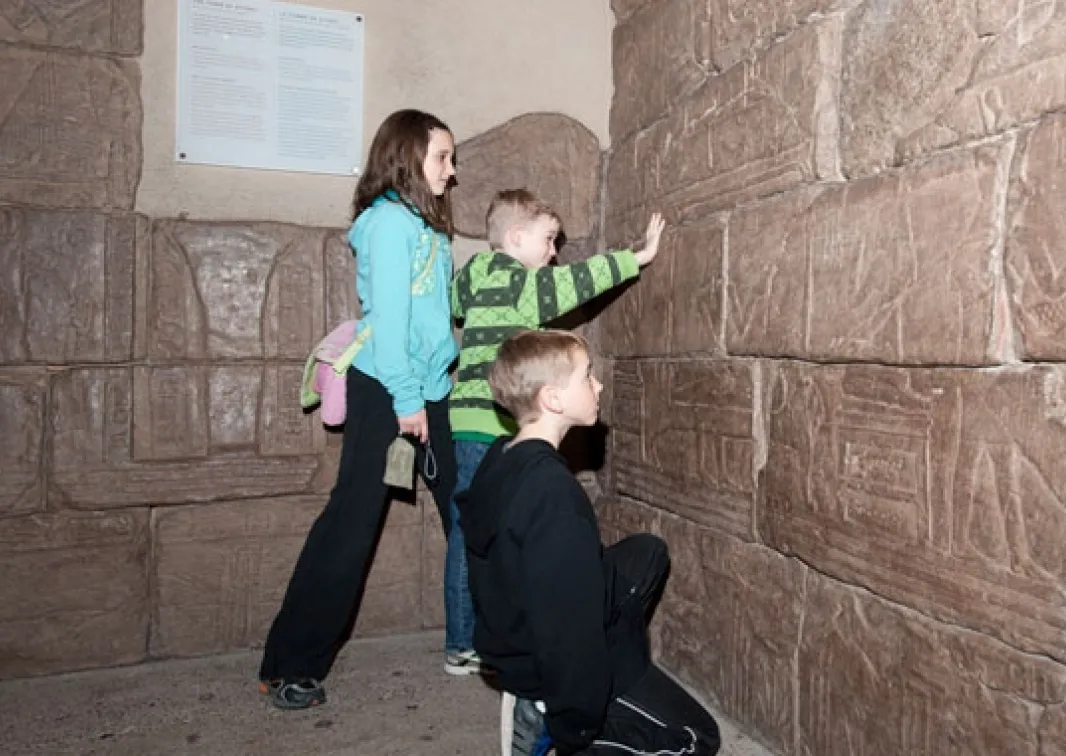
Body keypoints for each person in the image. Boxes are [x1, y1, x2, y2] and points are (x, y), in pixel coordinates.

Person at [257, 108, 460, 710]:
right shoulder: (386, 225)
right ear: (407, 158)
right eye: (442, 157)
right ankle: (291, 664)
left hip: (432, 387)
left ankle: (510, 643)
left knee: (471, 512)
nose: (452, 171)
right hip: (389, 390)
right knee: (351, 524)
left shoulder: (429, 230)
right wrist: (406, 401)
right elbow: (390, 324)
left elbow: (432, 321)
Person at [460, 329, 721, 755]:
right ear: (553, 399)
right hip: (541, 662)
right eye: (587, 376)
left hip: (509, 631)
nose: (598, 385)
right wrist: (574, 721)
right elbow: (564, 626)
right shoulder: (553, 494)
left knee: (647, 553)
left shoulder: (503, 453)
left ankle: (616, 675)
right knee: (696, 738)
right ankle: (555, 720)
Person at [440, 188, 664, 675]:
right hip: (496, 418)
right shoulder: (524, 283)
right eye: (547, 240)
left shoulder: (477, 272)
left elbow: (455, 302)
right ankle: (466, 642)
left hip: (462, 417)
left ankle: (462, 636)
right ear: (517, 238)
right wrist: (637, 257)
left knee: (467, 526)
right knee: (493, 530)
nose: (553, 253)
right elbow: (578, 282)